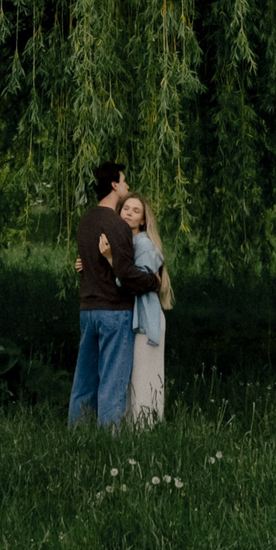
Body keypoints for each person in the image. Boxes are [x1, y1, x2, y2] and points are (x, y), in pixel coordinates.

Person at [69, 162, 162, 430]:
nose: (127, 186)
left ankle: (77, 437)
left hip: (88, 309)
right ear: (114, 185)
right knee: (112, 382)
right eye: (124, 181)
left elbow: (89, 263)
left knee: (84, 380)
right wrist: (153, 281)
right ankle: (108, 446)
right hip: (114, 312)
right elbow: (128, 275)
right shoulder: (117, 225)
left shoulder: (86, 221)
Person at [114, 193, 173, 427]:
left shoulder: (144, 244)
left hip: (147, 319)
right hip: (136, 317)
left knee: (144, 375)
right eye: (125, 208)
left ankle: (146, 428)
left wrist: (110, 261)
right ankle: (133, 427)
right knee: (133, 374)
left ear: (142, 220)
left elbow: (132, 281)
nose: (128, 212)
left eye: (135, 211)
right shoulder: (126, 242)